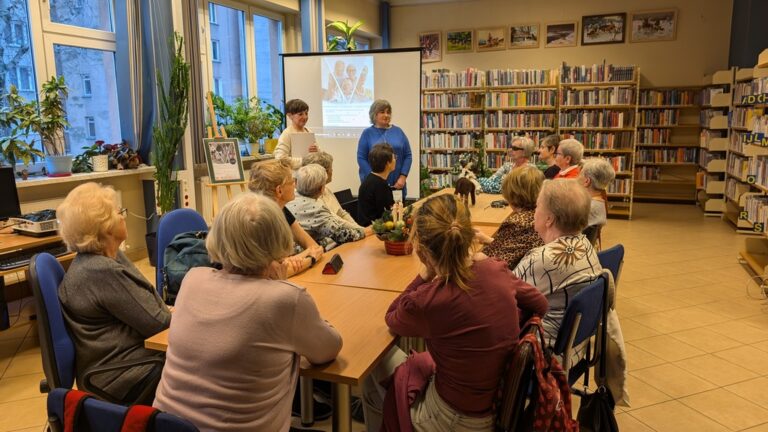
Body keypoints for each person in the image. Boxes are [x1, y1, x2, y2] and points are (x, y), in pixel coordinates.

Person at [153, 193, 342, 431]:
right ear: (278, 239)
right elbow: (328, 349)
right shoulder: (285, 299)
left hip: (164, 426)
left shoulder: (193, 278)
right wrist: (279, 284)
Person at [361, 194, 548, 431]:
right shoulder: (495, 269)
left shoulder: (429, 301)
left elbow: (392, 317)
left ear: (423, 251)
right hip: (498, 405)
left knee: (373, 365)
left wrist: (425, 275)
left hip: (453, 418)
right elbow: (540, 305)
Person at [56, 182, 171, 404]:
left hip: (122, 363)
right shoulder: (101, 271)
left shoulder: (106, 258)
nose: (123, 217)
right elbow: (159, 322)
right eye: (119, 212)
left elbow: (149, 305)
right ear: (105, 226)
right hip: (120, 376)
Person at [513, 179, 601, 350]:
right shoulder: (585, 245)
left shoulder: (541, 259)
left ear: (549, 219)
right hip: (575, 348)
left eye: (537, 206)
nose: (534, 212)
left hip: (539, 356)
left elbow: (502, 299)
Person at [249, 159, 323, 277]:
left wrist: (292, 260)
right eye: (292, 181)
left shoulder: (282, 210)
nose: (295, 184)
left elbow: (313, 246)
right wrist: (310, 258)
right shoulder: (259, 220)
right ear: (279, 190)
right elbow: (275, 273)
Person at [475, 165, 545, 269]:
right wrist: (487, 239)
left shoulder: (517, 223)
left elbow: (488, 260)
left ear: (512, 193)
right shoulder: (541, 214)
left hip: (513, 278)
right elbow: (517, 247)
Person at [287, 163, 369, 246]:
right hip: (306, 252)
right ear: (321, 189)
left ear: (296, 183)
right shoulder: (316, 208)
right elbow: (342, 235)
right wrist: (369, 230)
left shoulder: (291, 197)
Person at [357, 99, 413, 199]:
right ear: (374, 114)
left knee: (398, 213)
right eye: (382, 112)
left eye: (388, 112)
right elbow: (361, 158)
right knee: (377, 213)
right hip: (374, 186)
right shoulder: (367, 133)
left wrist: (403, 177)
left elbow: (408, 155)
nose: (386, 115)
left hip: (397, 185)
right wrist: (375, 179)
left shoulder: (398, 131)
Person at [303, 151, 360, 225]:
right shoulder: (312, 197)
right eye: (331, 168)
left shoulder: (326, 190)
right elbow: (336, 220)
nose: (332, 171)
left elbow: (341, 213)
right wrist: (360, 230)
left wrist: (358, 227)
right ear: (324, 172)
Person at [358, 143, 396, 226]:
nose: (395, 160)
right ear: (387, 164)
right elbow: (386, 215)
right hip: (374, 231)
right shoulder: (380, 186)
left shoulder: (370, 180)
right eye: (394, 158)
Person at [274, 99, 318, 169]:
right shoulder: (287, 134)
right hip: (294, 176)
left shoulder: (309, 131)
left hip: (309, 174)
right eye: (300, 114)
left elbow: (316, 155)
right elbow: (280, 158)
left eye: (306, 113)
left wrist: (316, 151)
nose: (305, 117)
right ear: (289, 116)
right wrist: (303, 161)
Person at [580, 157, 616, 228]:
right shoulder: (599, 202)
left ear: (587, 181)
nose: (576, 177)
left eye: (580, 175)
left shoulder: (585, 209)